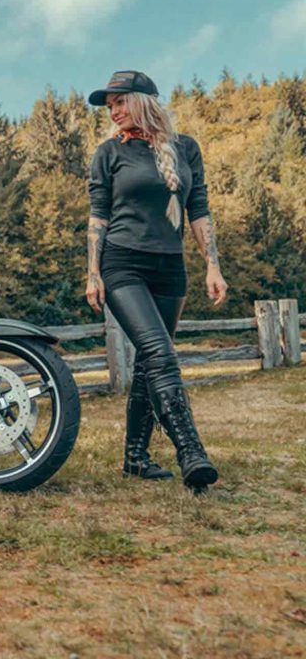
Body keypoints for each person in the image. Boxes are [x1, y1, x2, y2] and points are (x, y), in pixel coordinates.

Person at [85, 70, 227, 490]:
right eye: (109, 107)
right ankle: (191, 452)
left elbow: (197, 208)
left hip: (170, 269)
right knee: (160, 353)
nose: (113, 112)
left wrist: (212, 264)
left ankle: (135, 458)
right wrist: (93, 273)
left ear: (143, 101)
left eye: (120, 102)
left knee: (150, 365)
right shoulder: (109, 153)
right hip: (122, 265)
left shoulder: (185, 149)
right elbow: (98, 217)